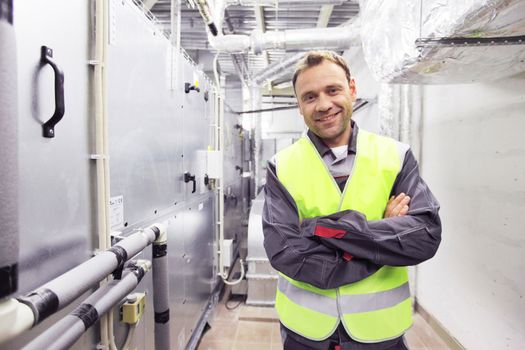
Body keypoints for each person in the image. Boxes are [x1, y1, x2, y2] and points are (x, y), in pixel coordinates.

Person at [262, 50, 442, 350]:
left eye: (333, 90)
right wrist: (379, 241)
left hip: (380, 333)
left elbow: (424, 236)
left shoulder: (394, 157)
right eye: (309, 96)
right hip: (306, 333)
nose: (323, 105)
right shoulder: (282, 166)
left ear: (352, 89)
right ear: (299, 105)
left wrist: (318, 228)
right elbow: (285, 252)